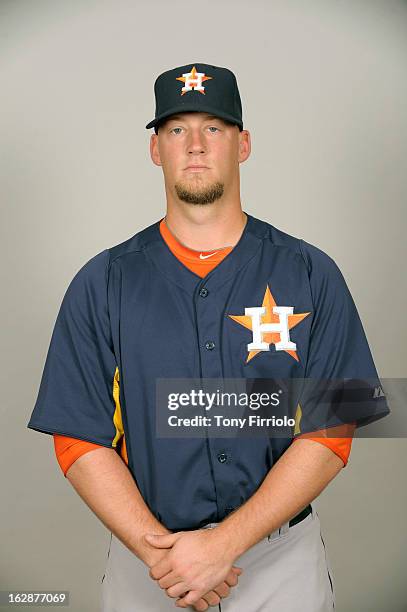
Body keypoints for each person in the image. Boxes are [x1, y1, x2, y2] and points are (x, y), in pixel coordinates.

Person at [27, 62, 390, 612]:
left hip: (279, 562)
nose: (195, 145)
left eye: (214, 128)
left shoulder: (310, 271)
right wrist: (164, 558)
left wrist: (224, 544)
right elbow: (77, 438)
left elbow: (334, 427)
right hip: (149, 561)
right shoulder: (102, 281)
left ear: (242, 144)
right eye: (176, 130)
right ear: (156, 149)